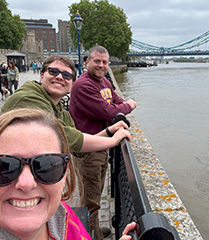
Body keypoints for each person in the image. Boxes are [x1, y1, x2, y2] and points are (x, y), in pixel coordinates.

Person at [0, 108, 136, 240]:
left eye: (47, 166)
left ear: (64, 176)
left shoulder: (62, 217)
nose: (26, 183)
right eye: (4, 167)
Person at [69, 45, 137, 240]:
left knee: (96, 193)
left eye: (104, 62)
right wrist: (129, 105)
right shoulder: (84, 85)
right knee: (90, 199)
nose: (101, 65)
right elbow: (109, 111)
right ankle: (91, 235)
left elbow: (116, 101)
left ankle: (95, 228)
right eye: (97, 61)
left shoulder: (104, 82)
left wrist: (119, 106)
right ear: (87, 62)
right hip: (89, 148)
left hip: (102, 144)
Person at [1, 55, 131, 157]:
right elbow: (61, 136)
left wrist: (109, 131)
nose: (59, 77)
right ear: (42, 76)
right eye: (53, 71)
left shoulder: (60, 110)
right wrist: (114, 141)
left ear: (71, 85)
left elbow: (76, 147)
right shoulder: (28, 99)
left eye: (66, 75)